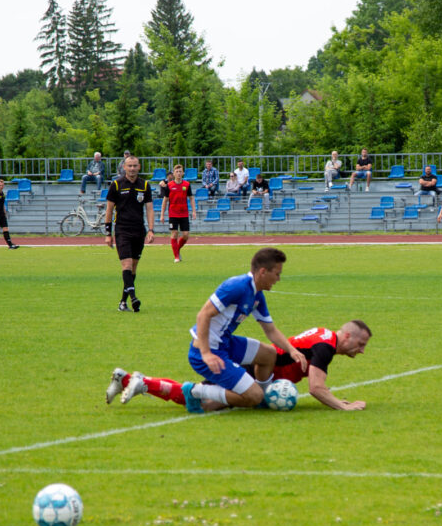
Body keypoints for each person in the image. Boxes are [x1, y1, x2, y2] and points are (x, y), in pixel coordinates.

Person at [108, 320, 373, 412]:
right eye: (360, 344)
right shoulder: (326, 347)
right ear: (347, 335)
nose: (360, 351)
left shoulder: (325, 336)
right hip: (255, 371)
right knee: (205, 403)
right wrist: (343, 406)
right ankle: (142, 382)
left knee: (212, 401)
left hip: (258, 369)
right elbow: (316, 388)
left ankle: (128, 379)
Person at [180, 248, 306, 413]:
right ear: (263, 272)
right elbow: (203, 315)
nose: (278, 279)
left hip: (225, 343)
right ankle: (194, 391)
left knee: (269, 354)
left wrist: (292, 350)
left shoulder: (257, 295)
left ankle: (263, 399)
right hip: (205, 352)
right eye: (277, 274)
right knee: (253, 396)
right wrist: (206, 354)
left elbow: (270, 330)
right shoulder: (236, 286)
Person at [104, 154, 155, 311]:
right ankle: (133, 298)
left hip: (139, 230)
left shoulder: (144, 185)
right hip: (122, 230)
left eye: (135, 166)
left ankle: (123, 302)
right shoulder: (117, 185)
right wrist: (108, 233)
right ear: (124, 167)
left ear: (139, 167)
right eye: (129, 166)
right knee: (125, 264)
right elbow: (109, 209)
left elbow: (149, 208)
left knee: (133, 267)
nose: (132, 168)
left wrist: (151, 230)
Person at [159, 164, 196, 263]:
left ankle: (177, 249)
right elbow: (165, 200)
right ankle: (176, 257)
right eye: (177, 172)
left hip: (184, 213)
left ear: (183, 173)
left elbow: (191, 198)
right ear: (174, 173)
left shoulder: (187, 185)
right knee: (174, 233)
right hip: (173, 213)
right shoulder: (170, 186)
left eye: (180, 172)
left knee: (185, 235)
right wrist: (162, 215)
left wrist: (194, 211)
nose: (179, 173)